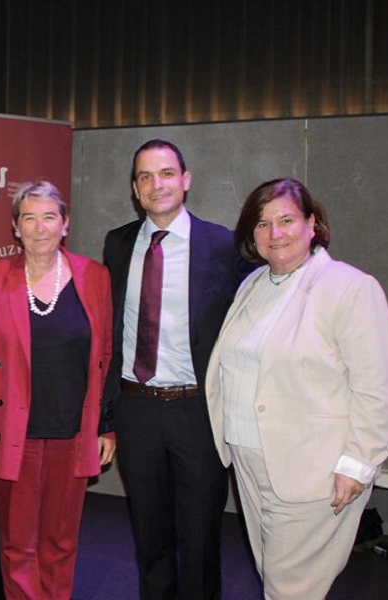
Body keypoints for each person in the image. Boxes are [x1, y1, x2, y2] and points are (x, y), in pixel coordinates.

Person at [205, 178, 388, 599]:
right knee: (278, 581)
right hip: (251, 461)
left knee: (290, 589)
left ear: (313, 223)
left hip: (311, 467)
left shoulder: (348, 288)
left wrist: (359, 463)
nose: (275, 233)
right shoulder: (253, 286)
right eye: (262, 224)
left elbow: (377, 387)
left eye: (287, 220)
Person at [102, 139, 251, 600]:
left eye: (166, 173)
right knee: (150, 536)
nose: (156, 184)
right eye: (145, 176)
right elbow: (112, 331)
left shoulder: (223, 245)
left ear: (185, 180)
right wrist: (107, 417)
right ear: (134, 188)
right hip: (136, 408)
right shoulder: (118, 243)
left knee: (201, 536)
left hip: (197, 411)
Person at [0, 180, 115, 599]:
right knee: (18, 545)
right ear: (15, 227)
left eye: (49, 217)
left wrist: (107, 427)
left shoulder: (94, 277)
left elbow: (106, 357)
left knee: (61, 543)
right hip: (13, 433)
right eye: (29, 217)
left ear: (65, 224)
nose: (40, 227)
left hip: (73, 431)